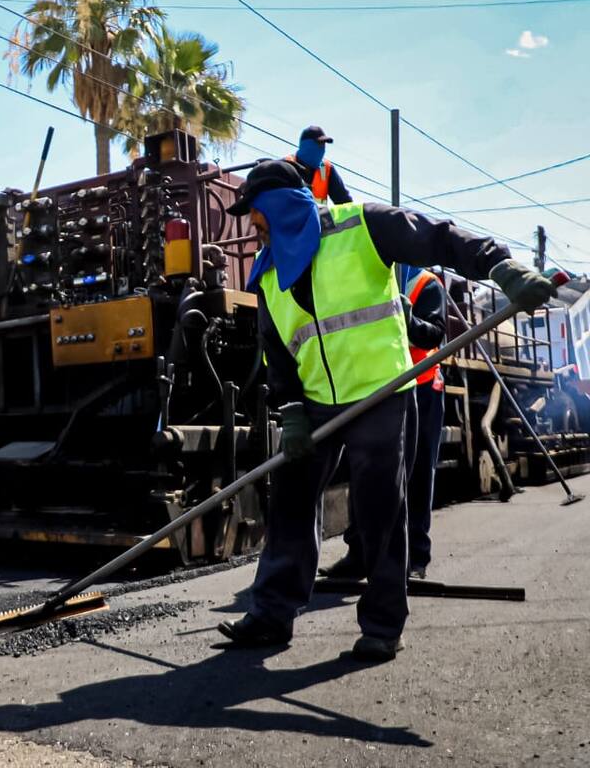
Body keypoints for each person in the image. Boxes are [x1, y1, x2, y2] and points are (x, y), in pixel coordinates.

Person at [216, 160, 555, 661]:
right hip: (315, 401)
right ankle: (271, 614)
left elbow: (439, 238)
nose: (252, 226)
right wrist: (289, 410)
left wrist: (500, 267)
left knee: (379, 507)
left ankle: (381, 624)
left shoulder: (361, 226)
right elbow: (276, 349)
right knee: (289, 501)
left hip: (381, 390)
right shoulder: (267, 272)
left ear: (281, 204)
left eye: (256, 214)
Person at [320, 265, 448, 582]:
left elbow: (435, 333)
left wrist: (409, 319)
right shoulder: (369, 277)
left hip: (421, 386)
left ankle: (415, 558)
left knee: (416, 475)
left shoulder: (425, 283)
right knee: (363, 471)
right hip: (377, 388)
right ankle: (359, 554)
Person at [285, 125, 352, 205]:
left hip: (318, 217)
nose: (322, 149)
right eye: (319, 144)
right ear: (306, 145)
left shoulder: (326, 169)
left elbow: (345, 203)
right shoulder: (285, 166)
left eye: (324, 145)